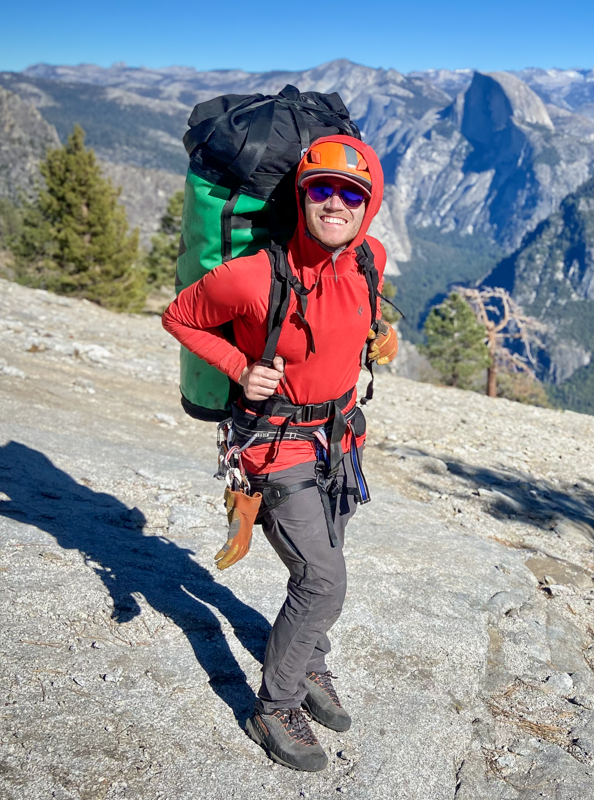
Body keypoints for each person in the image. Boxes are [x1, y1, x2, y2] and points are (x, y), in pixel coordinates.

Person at [162, 135, 398, 772]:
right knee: (322, 579)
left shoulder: (370, 259)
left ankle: (309, 661)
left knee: (327, 559)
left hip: (341, 439)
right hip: (276, 444)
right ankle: (275, 704)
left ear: (368, 206)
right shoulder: (250, 276)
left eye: (352, 193)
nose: (336, 202)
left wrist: (382, 335)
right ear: (301, 195)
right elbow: (180, 317)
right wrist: (239, 366)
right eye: (322, 188)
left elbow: (361, 319)